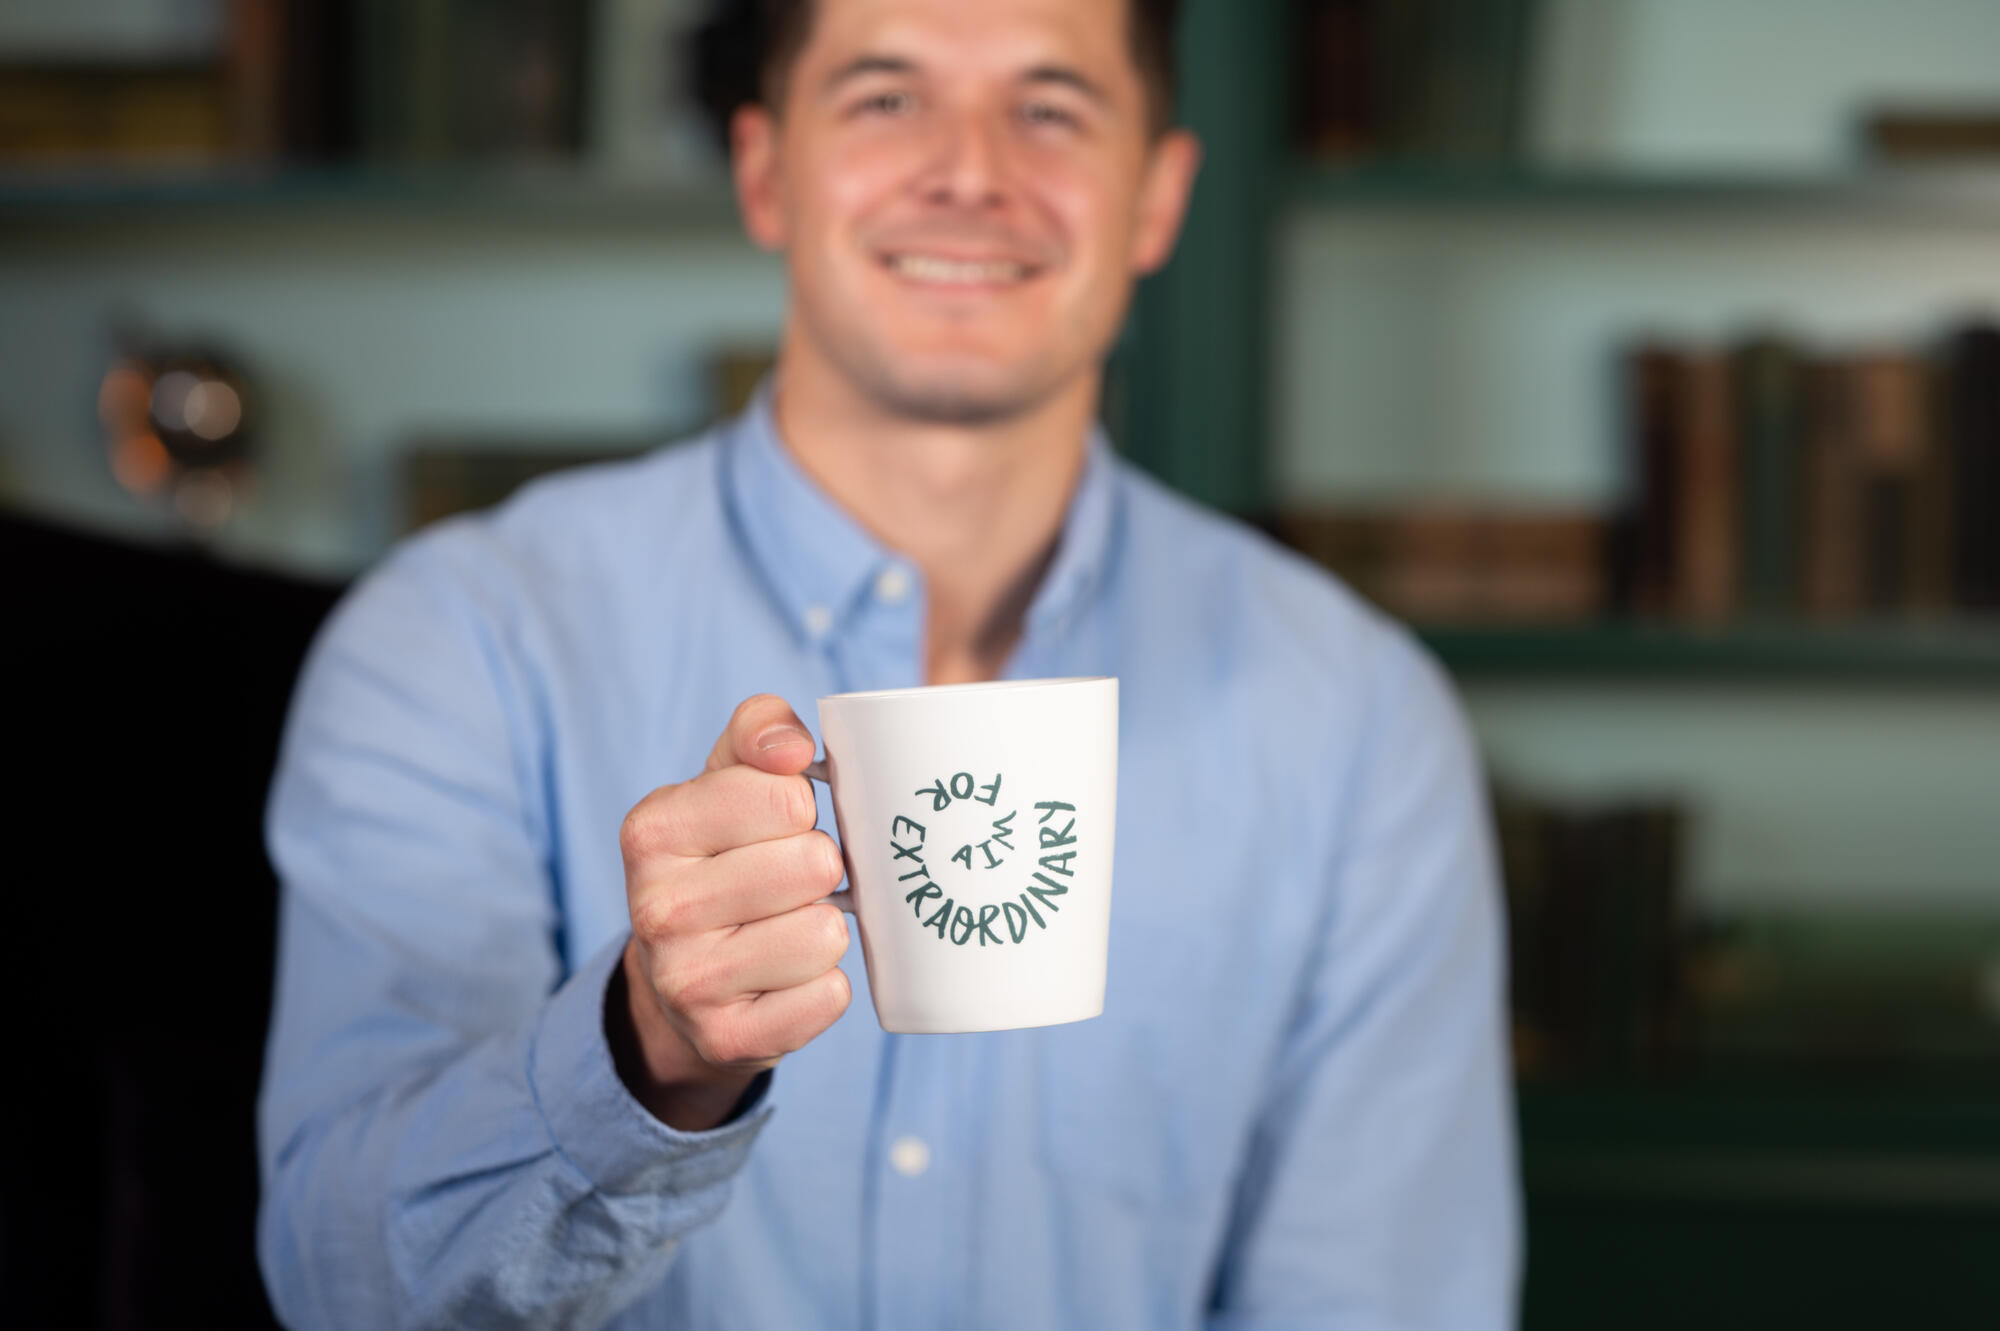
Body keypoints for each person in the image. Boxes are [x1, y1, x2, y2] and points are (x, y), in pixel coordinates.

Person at [254, 0, 1521, 1325]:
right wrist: (640, 1065)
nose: (970, 170)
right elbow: (340, 1288)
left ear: (1157, 196)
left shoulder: (1363, 723)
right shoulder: (462, 641)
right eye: (885, 97)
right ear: (763, 173)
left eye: (1049, 108)